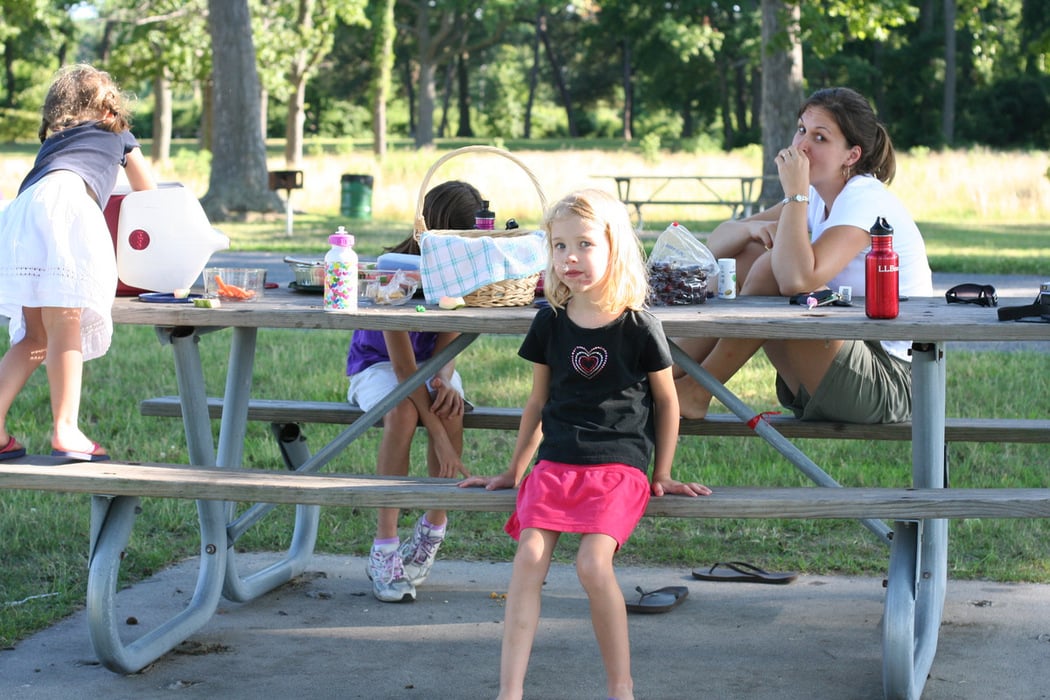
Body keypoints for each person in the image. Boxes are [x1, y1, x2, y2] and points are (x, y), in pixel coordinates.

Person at [460, 188, 711, 700]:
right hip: (555, 463)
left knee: (592, 564)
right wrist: (514, 470)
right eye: (558, 246)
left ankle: (621, 687)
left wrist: (661, 473)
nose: (569, 258)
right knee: (529, 556)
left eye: (584, 244)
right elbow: (537, 403)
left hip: (619, 468)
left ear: (614, 246)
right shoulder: (549, 321)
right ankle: (510, 691)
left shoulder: (639, 326)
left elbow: (667, 403)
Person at [675, 86, 933, 424]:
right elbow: (717, 248)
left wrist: (795, 195)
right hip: (834, 369)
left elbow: (797, 280)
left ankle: (696, 392)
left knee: (772, 266)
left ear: (851, 156)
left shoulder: (865, 199)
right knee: (751, 255)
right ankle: (665, 375)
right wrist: (752, 230)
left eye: (820, 138)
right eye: (801, 130)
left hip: (887, 381)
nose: (802, 146)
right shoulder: (817, 195)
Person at [0, 64, 156, 462]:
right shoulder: (118, 134)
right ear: (109, 110)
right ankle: (66, 431)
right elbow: (149, 193)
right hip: (68, 206)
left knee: (34, 338)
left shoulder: (54, 140)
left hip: (22, 211)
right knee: (66, 320)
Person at [346, 180, 482, 603]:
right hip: (379, 365)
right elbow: (402, 366)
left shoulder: (464, 269)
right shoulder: (395, 268)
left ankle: (432, 527)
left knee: (449, 405)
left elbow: (446, 349)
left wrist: (442, 379)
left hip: (427, 365)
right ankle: (384, 546)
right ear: (430, 233)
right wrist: (438, 440)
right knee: (403, 412)